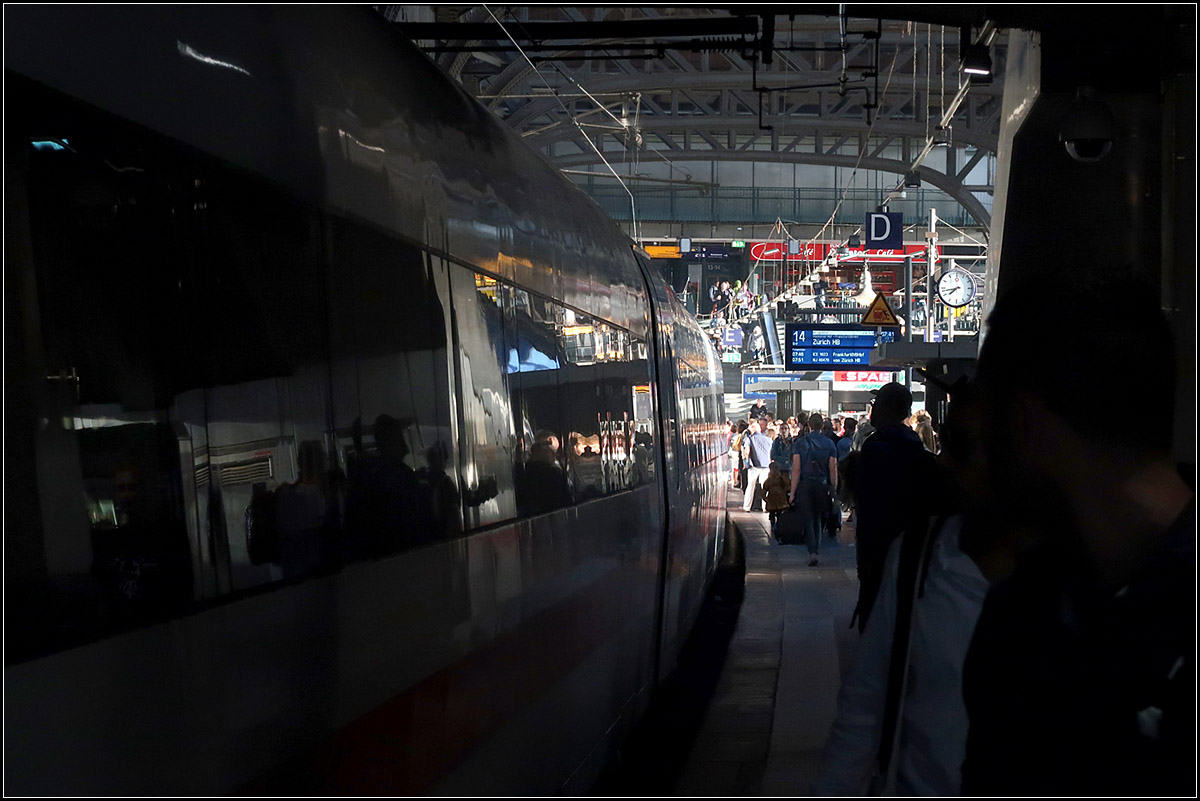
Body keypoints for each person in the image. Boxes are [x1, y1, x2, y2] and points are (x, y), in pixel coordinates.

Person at [960, 277, 1195, 796]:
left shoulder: (1022, 626)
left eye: (981, 433)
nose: (974, 462)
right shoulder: (1023, 608)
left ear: (1023, 425)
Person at [813, 384, 1008, 796]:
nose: (947, 461)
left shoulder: (919, 555)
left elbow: (862, 709)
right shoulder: (924, 542)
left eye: (959, 443)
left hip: (879, 561)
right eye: (945, 440)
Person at [851, 384, 938, 632]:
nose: (873, 411)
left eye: (877, 404)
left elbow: (869, 504)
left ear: (889, 408)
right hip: (908, 545)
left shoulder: (876, 447)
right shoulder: (913, 445)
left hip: (879, 546)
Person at [789, 412, 839, 566]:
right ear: (822, 426)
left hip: (805, 485)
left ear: (808, 426)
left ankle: (812, 551)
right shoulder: (830, 444)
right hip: (822, 485)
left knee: (808, 518)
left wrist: (792, 492)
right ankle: (815, 549)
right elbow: (833, 469)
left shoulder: (800, 443)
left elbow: (796, 470)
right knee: (818, 517)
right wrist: (834, 488)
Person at [741, 420, 773, 512]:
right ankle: (765, 507)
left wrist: (746, 462)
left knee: (750, 486)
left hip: (754, 466)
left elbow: (747, 451)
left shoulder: (750, 439)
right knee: (765, 486)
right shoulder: (768, 439)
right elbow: (770, 452)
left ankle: (747, 507)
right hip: (766, 465)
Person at [763, 463, 791, 536]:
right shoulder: (769, 480)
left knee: (778, 513)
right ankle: (774, 525)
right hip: (773, 498)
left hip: (779, 498)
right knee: (773, 513)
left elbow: (787, 486)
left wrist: (784, 492)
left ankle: (777, 525)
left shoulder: (781, 479)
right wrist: (765, 498)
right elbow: (764, 489)